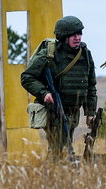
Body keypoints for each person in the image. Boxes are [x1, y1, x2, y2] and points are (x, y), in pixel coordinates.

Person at [21, 15, 97, 159]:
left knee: (59, 150)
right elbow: (26, 77)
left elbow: (90, 85)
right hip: (54, 111)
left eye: (79, 33)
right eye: (73, 34)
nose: (77, 37)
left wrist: (90, 112)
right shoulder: (49, 55)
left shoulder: (85, 55)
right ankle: (60, 176)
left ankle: (51, 176)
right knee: (62, 149)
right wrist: (44, 93)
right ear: (63, 37)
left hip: (73, 112)